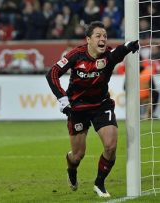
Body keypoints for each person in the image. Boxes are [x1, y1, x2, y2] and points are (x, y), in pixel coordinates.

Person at [45, 21, 139, 197]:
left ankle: (99, 183)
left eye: (104, 35)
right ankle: (71, 170)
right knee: (78, 155)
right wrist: (62, 98)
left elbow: (119, 52)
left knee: (110, 147)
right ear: (88, 39)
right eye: (98, 36)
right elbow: (52, 73)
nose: (103, 39)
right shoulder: (76, 55)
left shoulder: (108, 56)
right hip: (78, 108)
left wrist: (128, 46)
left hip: (101, 105)